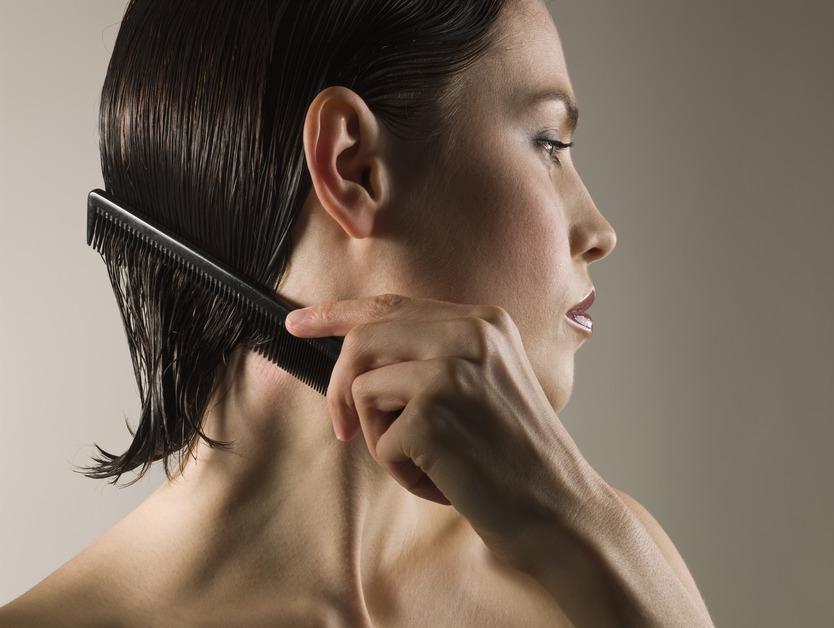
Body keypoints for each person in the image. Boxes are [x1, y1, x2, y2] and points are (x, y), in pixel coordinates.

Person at [1, 0, 714, 625]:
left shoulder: (600, 568)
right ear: (353, 167)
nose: (600, 230)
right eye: (550, 144)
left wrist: (575, 520)